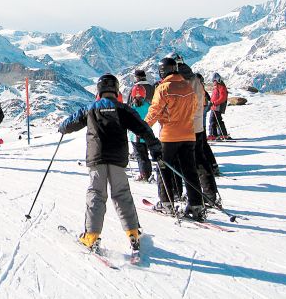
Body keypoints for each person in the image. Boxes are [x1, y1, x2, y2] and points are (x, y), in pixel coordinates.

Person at [58, 74, 162, 252]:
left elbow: (69, 123)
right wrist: (155, 147)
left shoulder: (90, 108)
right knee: (122, 194)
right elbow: (142, 127)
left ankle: (91, 236)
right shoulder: (123, 109)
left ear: (99, 90)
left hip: (96, 158)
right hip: (118, 158)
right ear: (116, 90)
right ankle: (133, 233)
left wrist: (62, 128)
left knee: (96, 194)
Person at [144, 57, 205, 221]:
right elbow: (195, 108)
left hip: (169, 135)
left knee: (164, 168)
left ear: (162, 72)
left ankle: (166, 202)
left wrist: (143, 127)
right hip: (189, 135)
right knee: (190, 170)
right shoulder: (187, 86)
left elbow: (155, 111)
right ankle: (196, 205)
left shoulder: (163, 88)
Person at [176, 59, 220, 207]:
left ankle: (190, 196)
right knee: (200, 160)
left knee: (185, 162)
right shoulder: (195, 79)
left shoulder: (180, 80)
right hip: (198, 125)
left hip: (185, 126)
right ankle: (210, 194)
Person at [127, 84, 152, 181]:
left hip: (135, 136)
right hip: (147, 134)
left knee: (140, 156)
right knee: (145, 155)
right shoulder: (148, 105)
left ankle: (144, 175)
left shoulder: (131, 107)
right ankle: (148, 173)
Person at [209, 73, 231, 140]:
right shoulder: (216, 87)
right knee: (216, 120)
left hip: (217, 106)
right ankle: (221, 134)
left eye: (214, 80)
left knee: (213, 120)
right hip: (214, 106)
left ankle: (214, 135)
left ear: (217, 80)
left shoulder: (221, 86)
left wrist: (215, 103)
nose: (213, 82)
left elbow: (223, 97)